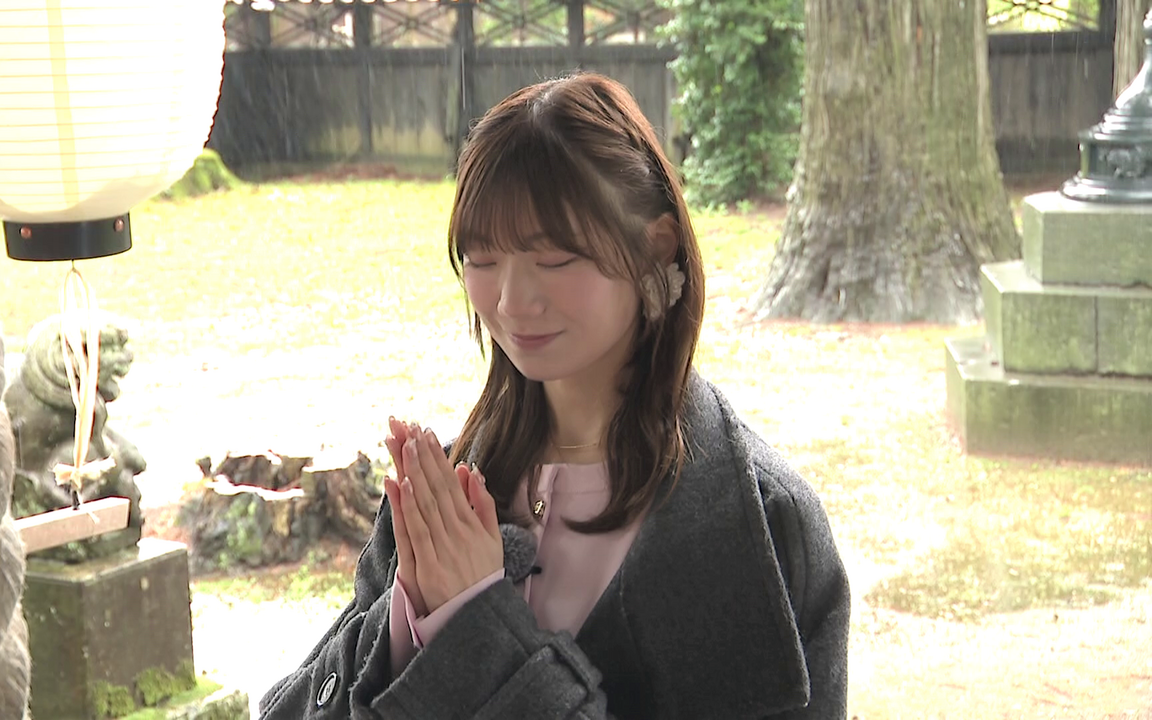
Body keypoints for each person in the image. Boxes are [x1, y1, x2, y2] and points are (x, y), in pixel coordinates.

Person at [259, 72, 850, 719]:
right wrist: (410, 619)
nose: (513, 301)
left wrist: (472, 628)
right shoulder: (446, 494)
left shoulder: (763, 525)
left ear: (654, 249)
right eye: (483, 259)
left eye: (554, 259)